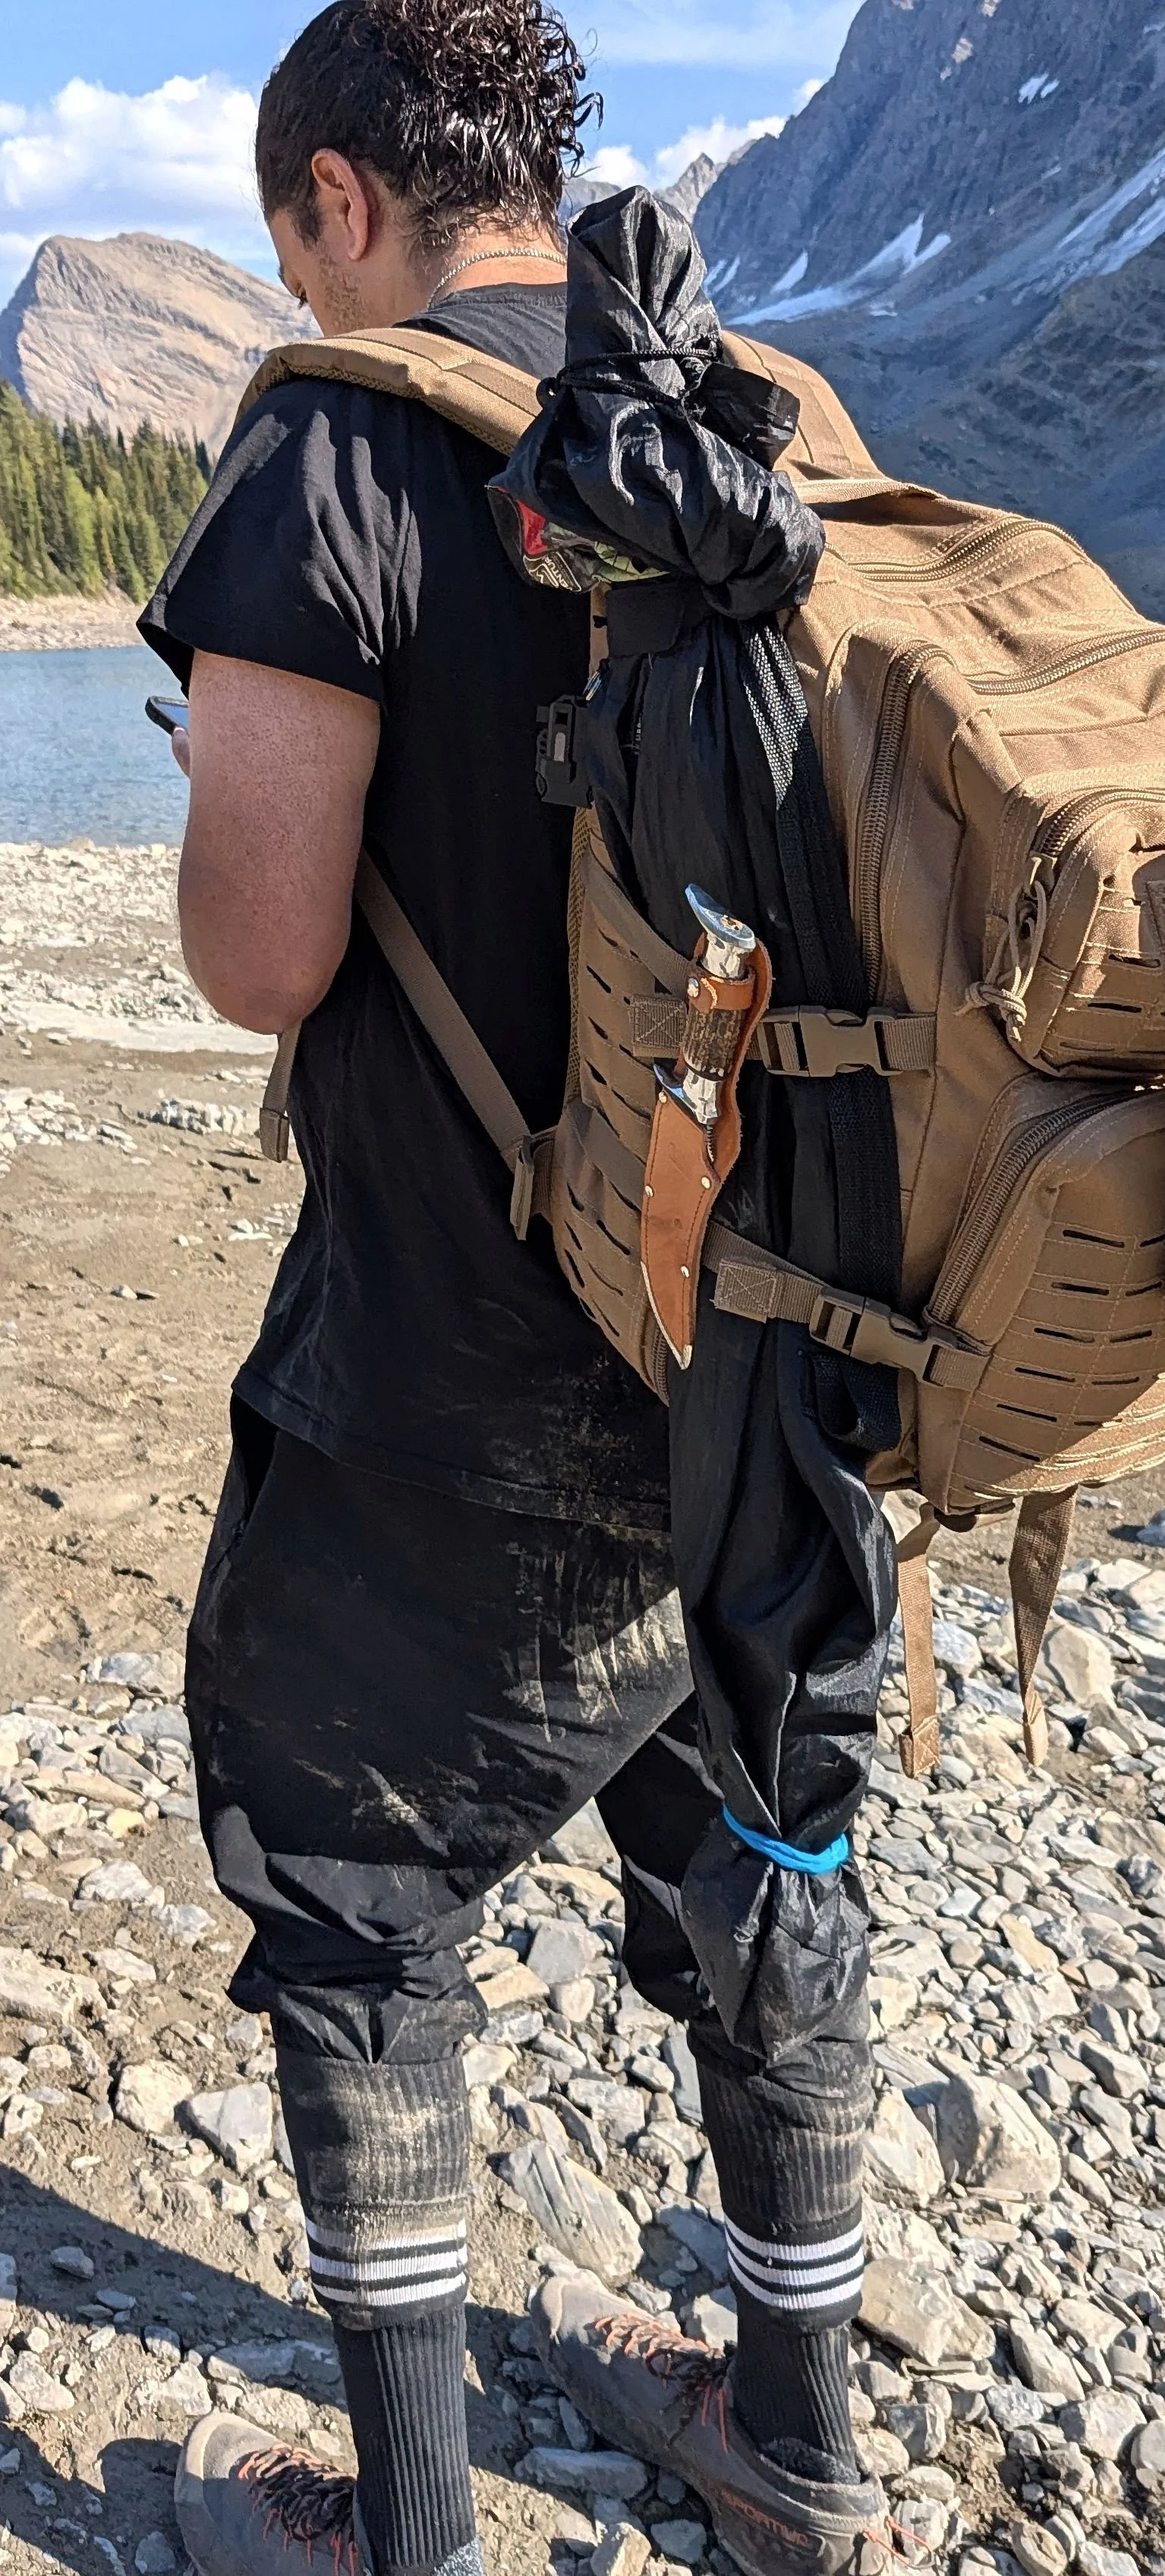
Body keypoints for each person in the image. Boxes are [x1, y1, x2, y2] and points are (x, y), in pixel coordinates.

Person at [140, 7, 889, 2573]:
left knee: (358, 1898)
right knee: (763, 1851)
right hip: (771, 1351)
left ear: (339, 194)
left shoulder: (339, 438)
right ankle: (790, 2442)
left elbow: (261, 958)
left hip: (456, 1363)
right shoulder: (753, 408)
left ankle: (419, 2529)